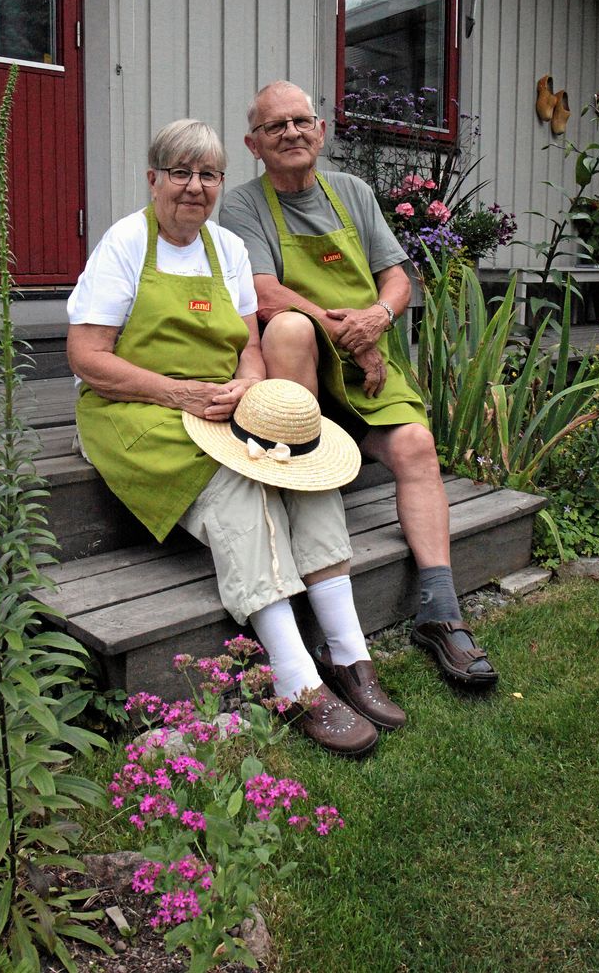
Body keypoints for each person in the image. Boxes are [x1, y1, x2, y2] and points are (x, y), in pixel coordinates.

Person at [66, 118, 405, 757]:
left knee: (305, 475)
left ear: (221, 182)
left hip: (219, 402)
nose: (194, 187)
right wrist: (180, 392)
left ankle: (349, 655)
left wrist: (249, 385)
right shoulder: (123, 245)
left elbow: (249, 346)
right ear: (153, 180)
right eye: (180, 173)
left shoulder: (226, 248)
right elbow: (87, 357)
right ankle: (296, 678)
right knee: (240, 489)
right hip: (136, 406)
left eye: (209, 175)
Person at [220, 82, 498, 686]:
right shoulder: (243, 205)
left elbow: (396, 277)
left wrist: (378, 318)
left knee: (417, 447)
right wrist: (343, 331)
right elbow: (261, 293)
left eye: (302, 121)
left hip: (367, 361)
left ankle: (440, 611)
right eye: (276, 127)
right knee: (289, 327)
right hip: (308, 366)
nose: (292, 133)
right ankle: (310, 559)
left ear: (320, 131)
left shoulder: (352, 192)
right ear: (254, 144)